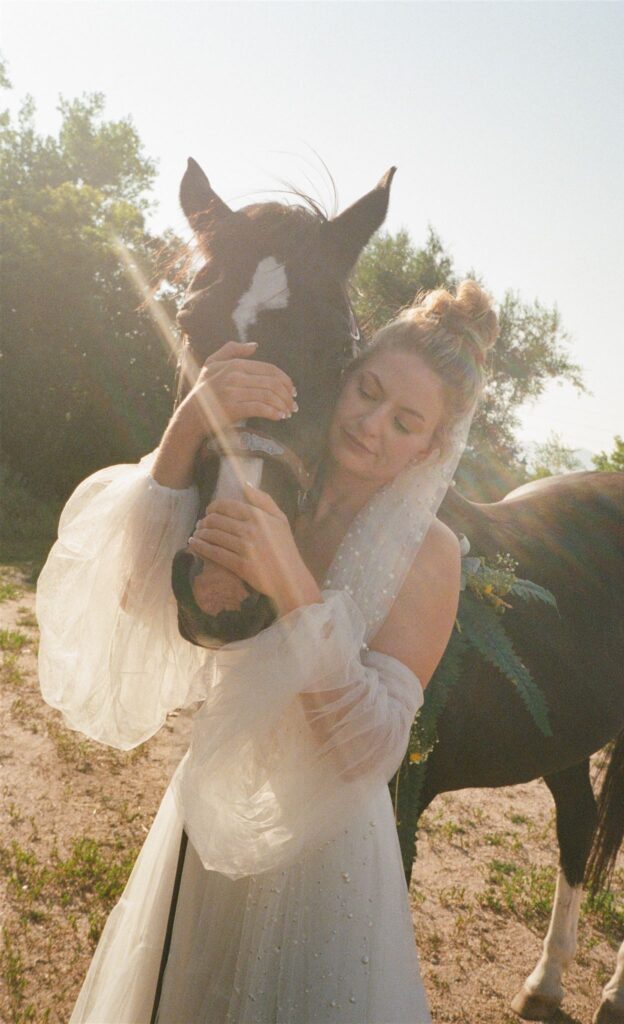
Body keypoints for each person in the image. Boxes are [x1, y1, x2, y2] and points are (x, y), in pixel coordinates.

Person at [37, 280, 498, 1023]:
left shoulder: (427, 555)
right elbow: (132, 593)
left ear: (432, 447)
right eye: (366, 391)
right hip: (203, 815)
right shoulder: (272, 480)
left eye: (405, 420)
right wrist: (189, 425)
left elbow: (369, 749)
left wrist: (290, 583)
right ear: (342, 380)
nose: (371, 424)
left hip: (319, 855)